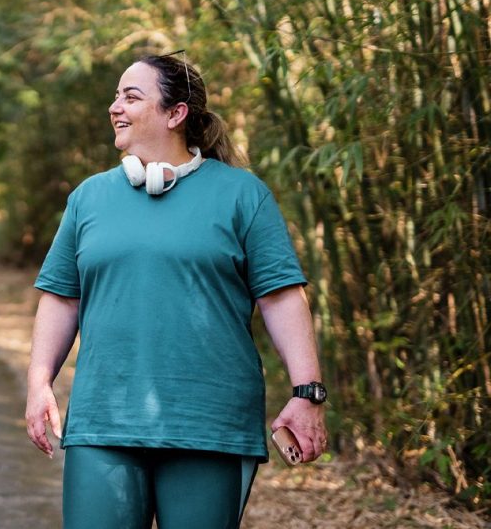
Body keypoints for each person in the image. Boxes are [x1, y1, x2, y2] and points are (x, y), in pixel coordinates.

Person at [24, 51, 327, 529]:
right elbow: (62, 296)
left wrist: (307, 394)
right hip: (104, 418)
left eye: (131, 96)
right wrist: (39, 382)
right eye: (115, 95)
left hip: (210, 422)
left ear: (175, 113)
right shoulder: (88, 198)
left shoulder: (243, 196)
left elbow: (281, 295)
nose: (114, 106)